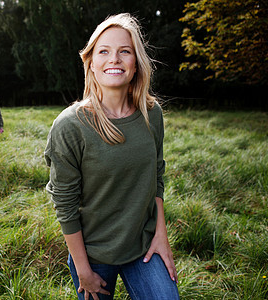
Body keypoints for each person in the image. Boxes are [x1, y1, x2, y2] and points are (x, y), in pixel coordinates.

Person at [44, 13, 179, 300]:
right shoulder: (70, 126)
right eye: (104, 51)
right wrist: (82, 269)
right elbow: (65, 204)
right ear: (91, 64)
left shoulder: (151, 114)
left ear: (136, 63)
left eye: (124, 51)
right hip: (92, 256)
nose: (114, 59)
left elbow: (156, 176)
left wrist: (161, 236)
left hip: (143, 247)